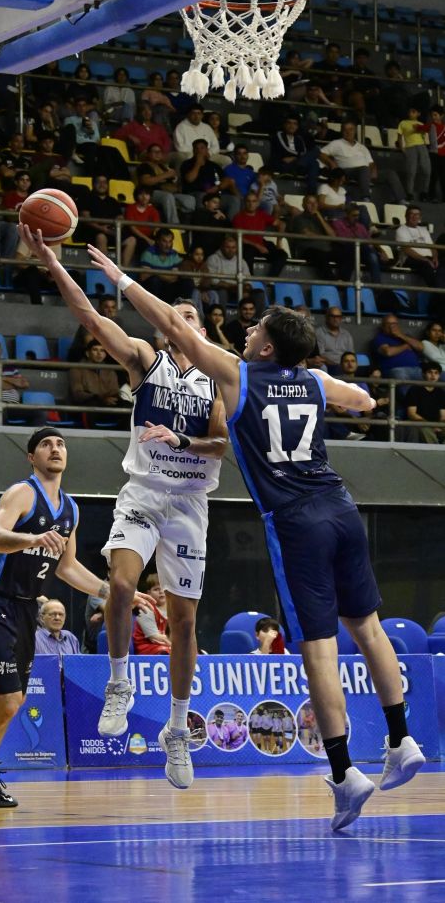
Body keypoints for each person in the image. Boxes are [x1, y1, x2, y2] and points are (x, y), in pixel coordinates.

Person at [88, 254, 425, 831]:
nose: (246, 331)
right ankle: (402, 739)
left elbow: (170, 325)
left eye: (255, 329)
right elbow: (363, 401)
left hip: (296, 521)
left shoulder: (238, 376)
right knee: (369, 628)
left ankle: (345, 773)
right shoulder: (313, 380)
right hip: (341, 507)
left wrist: (120, 279)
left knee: (320, 649)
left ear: (267, 348)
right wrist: (330, 393)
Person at [18, 223, 228, 791]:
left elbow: (223, 444)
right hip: (143, 492)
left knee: (184, 622)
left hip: (190, 503)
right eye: (175, 314)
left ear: (202, 331)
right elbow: (90, 317)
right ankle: (118, 681)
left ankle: (178, 729)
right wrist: (52, 264)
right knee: (120, 584)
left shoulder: (216, 379)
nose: (182, 319)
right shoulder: (144, 359)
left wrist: (181, 440)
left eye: (191, 315)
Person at [0, 427, 152, 813]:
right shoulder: (22, 493)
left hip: (27, 608)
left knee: (15, 701)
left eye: (60, 444)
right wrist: (33, 539)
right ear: (32, 457)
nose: (55, 449)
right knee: (6, 701)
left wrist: (114, 592)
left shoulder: (70, 508)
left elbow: (67, 568)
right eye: (45, 444)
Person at [69, 337, 122, 427]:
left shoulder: (110, 370)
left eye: (102, 351)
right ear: (87, 353)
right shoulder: (77, 369)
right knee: (92, 405)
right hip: (86, 404)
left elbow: (115, 391)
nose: (99, 354)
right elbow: (77, 394)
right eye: (95, 350)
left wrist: (110, 398)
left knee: (127, 406)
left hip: (107, 404)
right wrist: (100, 398)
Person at [231, 191, 287, 276]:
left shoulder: (261, 214)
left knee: (282, 254)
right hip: (247, 246)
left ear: (257, 203)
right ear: (244, 202)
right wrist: (257, 246)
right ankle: (250, 280)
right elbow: (238, 237)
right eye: (248, 201)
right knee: (247, 253)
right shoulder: (238, 217)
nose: (251, 204)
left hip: (261, 243)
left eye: (254, 201)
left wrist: (279, 243)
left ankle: (270, 279)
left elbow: (282, 224)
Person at [0, 336, 29, 420]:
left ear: (1, 349)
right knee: (1, 412)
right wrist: (14, 383)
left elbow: (24, 383)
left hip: (15, 406)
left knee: (39, 413)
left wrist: (1, 378)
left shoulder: (10, 366)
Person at [371, 314, 422, 383]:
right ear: (383, 326)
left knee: (428, 380)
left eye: (394, 323)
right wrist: (406, 346)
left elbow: (421, 347)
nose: (392, 326)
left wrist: (400, 335)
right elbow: (388, 352)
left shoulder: (406, 336)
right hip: (396, 369)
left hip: (416, 369)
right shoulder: (380, 338)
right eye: (388, 324)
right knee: (402, 377)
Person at [404, 362, 445, 443]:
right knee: (426, 429)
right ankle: (434, 449)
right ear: (423, 374)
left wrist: (440, 426)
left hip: (436, 424)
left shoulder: (441, 392)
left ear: (439, 375)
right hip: (419, 423)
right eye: (430, 372)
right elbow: (412, 414)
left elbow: (443, 416)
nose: (433, 376)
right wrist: (431, 426)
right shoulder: (414, 390)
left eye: (436, 373)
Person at [204, 235, 250, 307]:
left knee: (258, 293)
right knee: (222, 292)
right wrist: (231, 286)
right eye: (228, 247)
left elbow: (248, 279)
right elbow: (212, 280)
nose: (230, 250)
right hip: (221, 289)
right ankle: (221, 314)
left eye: (233, 247)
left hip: (237, 289)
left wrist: (246, 288)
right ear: (222, 247)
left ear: (237, 248)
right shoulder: (213, 259)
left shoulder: (241, 261)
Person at [397, 106, 431, 202]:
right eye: (410, 111)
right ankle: (409, 193)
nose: (411, 113)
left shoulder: (421, 124)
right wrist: (402, 148)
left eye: (413, 111)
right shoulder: (403, 123)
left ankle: (424, 192)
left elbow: (424, 138)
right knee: (411, 171)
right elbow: (399, 136)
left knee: (427, 170)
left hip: (422, 147)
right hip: (410, 147)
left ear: (418, 114)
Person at [133, 576, 171, 655]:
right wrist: (176, 645)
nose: (161, 591)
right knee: (170, 652)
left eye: (163, 588)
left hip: (166, 645)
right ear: (148, 593)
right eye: (156, 589)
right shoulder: (146, 609)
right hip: (147, 647)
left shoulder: (172, 610)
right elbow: (154, 637)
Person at [315, 306, 355, 372]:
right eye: (332, 316)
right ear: (327, 318)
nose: (335, 319)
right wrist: (335, 365)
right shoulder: (319, 333)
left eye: (338, 317)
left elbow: (351, 354)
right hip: (328, 365)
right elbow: (320, 355)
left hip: (344, 366)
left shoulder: (346, 334)